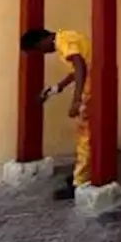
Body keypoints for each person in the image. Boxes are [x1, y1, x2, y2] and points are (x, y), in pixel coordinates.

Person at [19, 27, 91, 200]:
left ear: (42, 40)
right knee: (89, 138)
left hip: (91, 94)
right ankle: (85, 174)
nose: (43, 53)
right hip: (92, 90)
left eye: (39, 50)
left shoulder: (62, 41)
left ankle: (80, 182)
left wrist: (76, 100)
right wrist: (55, 89)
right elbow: (76, 70)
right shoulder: (69, 36)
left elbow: (80, 64)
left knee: (85, 139)